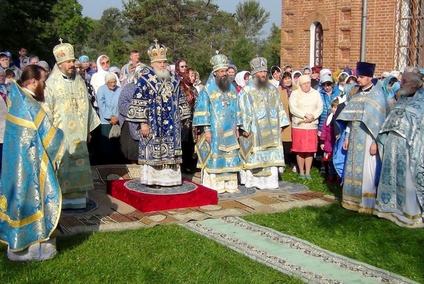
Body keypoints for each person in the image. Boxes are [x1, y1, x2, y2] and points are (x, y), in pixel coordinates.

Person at [0, 65, 64, 261]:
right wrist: (62, 135)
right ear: (34, 81)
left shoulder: (16, 98)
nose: (44, 86)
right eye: (43, 81)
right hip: (30, 165)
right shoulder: (30, 105)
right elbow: (51, 139)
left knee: (19, 201)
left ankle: (17, 246)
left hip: (16, 164)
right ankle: (32, 250)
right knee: (33, 200)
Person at [43, 40, 100, 210]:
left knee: (81, 165)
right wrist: (51, 135)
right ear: (60, 64)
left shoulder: (79, 81)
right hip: (61, 135)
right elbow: (47, 111)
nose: (72, 64)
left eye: (73, 61)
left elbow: (87, 105)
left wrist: (88, 130)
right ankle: (61, 202)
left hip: (80, 135)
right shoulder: (51, 84)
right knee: (63, 167)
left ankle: (79, 201)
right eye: (68, 62)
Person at [126, 40, 190, 187]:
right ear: (153, 62)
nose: (162, 65)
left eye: (164, 62)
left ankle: (170, 179)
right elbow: (139, 102)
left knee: (171, 152)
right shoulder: (144, 79)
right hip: (153, 125)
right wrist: (143, 123)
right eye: (160, 62)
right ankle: (153, 179)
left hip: (171, 126)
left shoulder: (173, 79)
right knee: (152, 151)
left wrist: (182, 118)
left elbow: (180, 99)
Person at [336, 61, 388, 213]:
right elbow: (351, 119)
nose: (358, 79)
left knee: (367, 171)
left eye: (362, 76)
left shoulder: (378, 96)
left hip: (368, 140)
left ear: (370, 78)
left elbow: (380, 123)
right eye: (358, 76)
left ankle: (366, 203)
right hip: (354, 137)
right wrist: (346, 136)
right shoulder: (357, 95)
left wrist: (376, 143)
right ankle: (351, 200)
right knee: (352, 170)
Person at [374, 72, 424, 228]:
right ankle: (390, 209)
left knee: (408, 180)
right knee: (391, 177)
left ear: (415, 84)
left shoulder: (421, 103)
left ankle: (409, 214)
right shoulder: (401, 101)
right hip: (392, 146)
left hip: (410, 148)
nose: (401, 83)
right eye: (401, 80)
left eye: (405, 81)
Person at [193, 52, 242, 193]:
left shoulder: (232, 88)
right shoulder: (207, 89)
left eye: (226, 70)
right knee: (216, 155)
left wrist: (238, 127)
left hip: (231, 129)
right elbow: (202, 111)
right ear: (215, 73)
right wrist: (206, 129)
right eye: (221, 71)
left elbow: (237, 107)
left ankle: (231, 183)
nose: (225, 73)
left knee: (230, 155)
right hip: (215, 130)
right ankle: (215, 184)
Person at [238, 57, 289, 189]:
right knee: (255, 155)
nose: (263, 74)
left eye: (265, 72)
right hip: (254, 130)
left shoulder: (272, 89)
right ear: (254, 74)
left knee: (270, 156)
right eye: (260, 72)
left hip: (272, 131)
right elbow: (242, 109)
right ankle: (253, 181)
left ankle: (270, 182)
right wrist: (244, 128)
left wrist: (281, 124)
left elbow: (279, 107)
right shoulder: (247, 90)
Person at [289, 75, 323, 179]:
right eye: (304, 84)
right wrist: (305, 115)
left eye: (308, 83)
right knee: (300, 149)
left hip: (312, 125)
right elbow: (293, 108)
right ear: (300, 84)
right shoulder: (294, 94)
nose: (307, 85)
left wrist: (313, 116)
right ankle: (301, 172)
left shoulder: (316, 94)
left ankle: (308, 172)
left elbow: (320, 107)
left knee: (309, 150)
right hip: (299, 125)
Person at [118, 64, 144, 164]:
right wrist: (137, 109)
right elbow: (122, 104)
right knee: (132, 149)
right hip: (130, 122)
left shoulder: (151, 90)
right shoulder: (129, 87)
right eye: (141, 74)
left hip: (147, 122)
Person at [97, 72, 123, 164]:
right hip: (106, 121)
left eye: (114, 82)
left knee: (117, 144)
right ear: (106, 82)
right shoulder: (101, 90)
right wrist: (110, 117)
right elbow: (101, 104)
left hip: (117, 120)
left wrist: (118, 117)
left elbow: (122, 104)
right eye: (110, 82)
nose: (113, 84)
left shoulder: (120, 90)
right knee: (106, 145)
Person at [180, 67, 198, 173]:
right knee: (183, 143)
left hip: (192, 120)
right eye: (191, 75)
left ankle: (188, 164)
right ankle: (182, 165)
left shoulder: (194, 89)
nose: (193, 78)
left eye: (194, 76)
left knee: (190, 144)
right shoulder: (180, 88)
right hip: (182, 122)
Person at [278, 71, 296, 173]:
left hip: (294, 119)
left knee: (294, 142)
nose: (288, 80)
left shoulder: (296, 89)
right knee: (284, 142)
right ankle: (283, 162)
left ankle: (293, 163)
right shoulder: (279, 90)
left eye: (289, 78)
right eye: (285, 79)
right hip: (284, 119)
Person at [319, 98, 339, 182]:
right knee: (329, 161)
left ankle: (338, 176)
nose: (334, 109)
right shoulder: (328, 118)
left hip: (337, 144)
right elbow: (324, 130)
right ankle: (330, 176)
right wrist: (322, 141)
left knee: (337, 161)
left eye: (336, 107)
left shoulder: (340, 119)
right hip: (329, 143)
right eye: (333, 107)